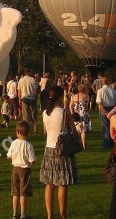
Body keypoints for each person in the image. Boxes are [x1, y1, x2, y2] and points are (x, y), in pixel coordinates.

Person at [40, 85, 79, 219]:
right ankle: (63, 215)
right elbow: (73, 128)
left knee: (49, 184)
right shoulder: (64, 112)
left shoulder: (45, 112)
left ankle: (49, 215)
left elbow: (46, 129)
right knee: (62, 183)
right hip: (62, 149)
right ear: (60, 97)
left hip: (49, 149)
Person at [7, 120, 36, 219]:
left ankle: (15, 213)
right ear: (27, 132)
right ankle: (23, 214)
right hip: (25, 169)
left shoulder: (14, 143)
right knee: (23, 192)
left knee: (15, 192)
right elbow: (32, 160)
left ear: (18, 132)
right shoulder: (28, 145)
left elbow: (9, 156)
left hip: (15, 168)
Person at [96, 77, 116, 149]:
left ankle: (107, 144)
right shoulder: (113, 91)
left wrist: (105, 112)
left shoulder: (100, 91)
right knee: (113, 127)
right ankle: (113, 143)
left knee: (105, 127)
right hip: (112, 108)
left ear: (102, 83)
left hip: (104, 108)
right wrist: (114, 110)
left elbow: (100, 103)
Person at [68, 83, 92, 149]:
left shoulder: (74, 96)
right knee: (83, 131)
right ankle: (84, 145)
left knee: (77, 130)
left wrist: (72, 112)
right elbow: (88, 105)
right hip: (84, 114)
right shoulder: (87, 96)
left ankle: (78, 144)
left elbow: (70, 106)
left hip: (77, 115)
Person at [18, 69, 39, 134]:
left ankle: (26, 130)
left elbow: (19, 91)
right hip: (32, 98)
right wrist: (36, 98)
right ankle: (34, 130)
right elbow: (35, 90)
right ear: (28, 72)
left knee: (25, 115)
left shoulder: (21, 80)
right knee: (33, 114)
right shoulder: (32, 79)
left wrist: (19, 99)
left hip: (24, 98)